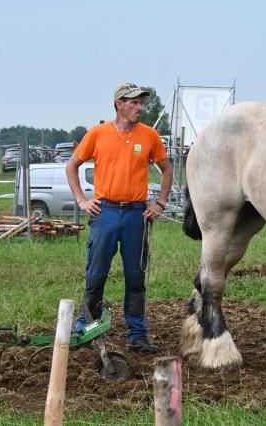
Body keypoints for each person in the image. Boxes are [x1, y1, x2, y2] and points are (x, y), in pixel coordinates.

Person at [66, 82, 172, 353]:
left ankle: (137, 335)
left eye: (141, 102)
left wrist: (159, 203)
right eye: (134, 102)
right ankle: (86, 327)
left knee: (136, 276)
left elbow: (167, 169)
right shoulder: (98, 134)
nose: (140, 107)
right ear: (119, 104)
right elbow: (72, 166)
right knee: (96, 273)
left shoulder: (149, 135)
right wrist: (82, 200)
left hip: (136, 216)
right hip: (106, 213)